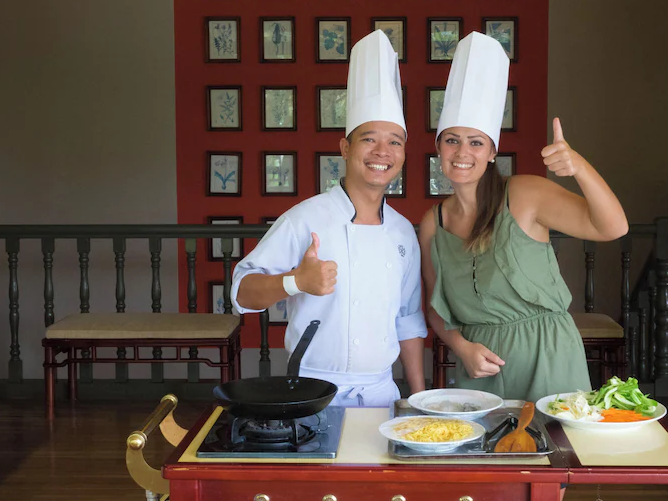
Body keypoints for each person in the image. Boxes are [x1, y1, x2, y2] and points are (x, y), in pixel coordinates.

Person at [419, 32, 629, 402]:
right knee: (483, 455)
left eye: (476, 142)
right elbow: (439, 310)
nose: (462, 152)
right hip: (480, 366)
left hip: (548, 356)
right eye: (452, 140)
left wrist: (578, 166)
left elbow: (613, 227)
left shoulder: (524, 194)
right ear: (438, 147)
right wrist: (461, 348)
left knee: (555, 453)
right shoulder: (432, 223)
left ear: (491, 152)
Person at [232, 30, 426, 407]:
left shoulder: (403, 231)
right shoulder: (305, 219)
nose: (382, 151)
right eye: (369, 139)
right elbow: (240, 293)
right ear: (345, 147)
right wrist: (295, 282)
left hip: (383, 392)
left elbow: (408, 319)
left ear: (403, 153)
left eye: (395, 141)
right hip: (312, 392)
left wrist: (417, 399)